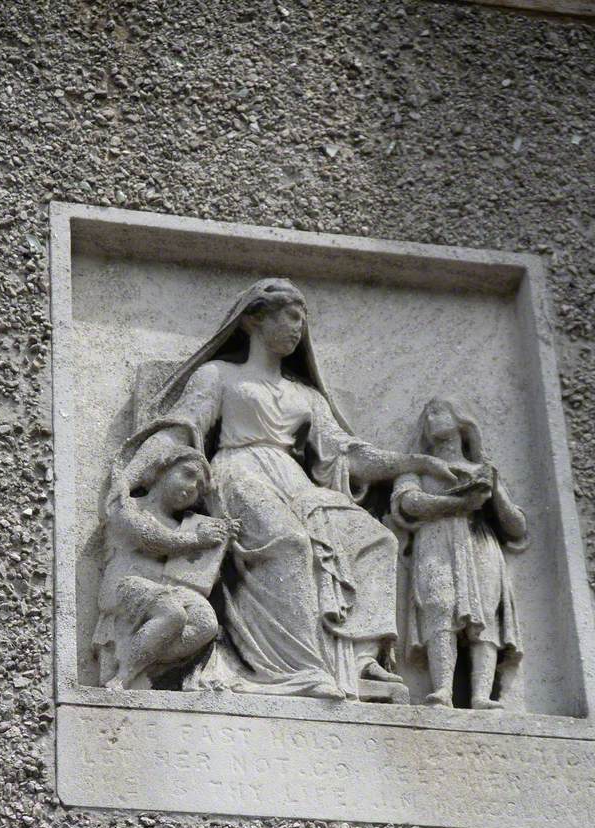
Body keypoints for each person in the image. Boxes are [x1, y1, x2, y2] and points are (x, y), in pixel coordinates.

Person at [115, 278, 457, 701]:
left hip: (294, 482)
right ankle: (299, 669)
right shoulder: (220, 375)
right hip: (238, 472)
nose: (300, 329)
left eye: (303, 320)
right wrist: (131, 477)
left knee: (377, 540)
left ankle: (360, 657)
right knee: (290, 543)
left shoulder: (306, 395)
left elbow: (350, 454)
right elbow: (181, 430)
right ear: (255, 319)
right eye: (292, 317)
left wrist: (416, 462)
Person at [391, 398, 528, 709]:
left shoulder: (482, 469)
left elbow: (517, 527)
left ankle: (481, 695)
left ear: (460, 420)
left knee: (485, 614)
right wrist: (456, 504)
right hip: (435, 541)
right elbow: (408, 503)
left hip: (479, 543)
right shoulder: (417, 467)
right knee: (438, 606)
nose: (431, 418)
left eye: (439, 411)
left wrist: (494, 492)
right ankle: (442, 690)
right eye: (427, 414)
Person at [93, 441, 238, 690]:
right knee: (172, 612)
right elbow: (151, 539)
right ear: (161, 470)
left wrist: (218, 546)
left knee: (205, 622)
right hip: (123, 586)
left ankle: (147, 658)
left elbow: (193, 575)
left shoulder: (182, 525)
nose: (191, 488)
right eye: (188, 474)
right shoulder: (127, 506)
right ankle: (125, 675)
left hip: (163, 591)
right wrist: (197, 540)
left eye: (199, 488)